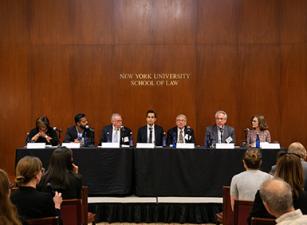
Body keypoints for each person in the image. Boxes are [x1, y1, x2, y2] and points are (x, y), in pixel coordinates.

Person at [248, 153, 307, 223]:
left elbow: (252, 221)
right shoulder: (304, 197)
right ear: (299, 171)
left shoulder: (263, 194)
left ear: (278, 169)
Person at [10, 156, 62, 220]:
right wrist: (57, 206)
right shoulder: (45, 198)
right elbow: (56, 223)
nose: (42, 173)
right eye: (41, 171)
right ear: (36, 175)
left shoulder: (11, 198)